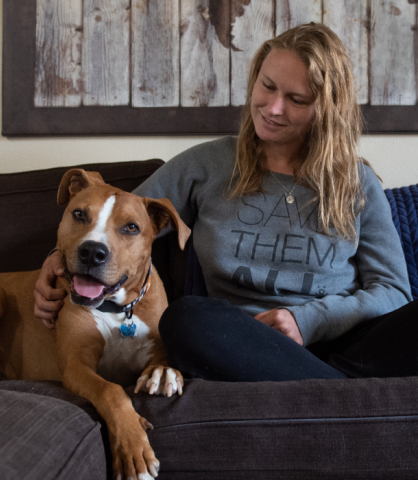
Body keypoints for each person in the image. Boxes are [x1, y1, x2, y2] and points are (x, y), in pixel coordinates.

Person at [34, 23, 417, 382]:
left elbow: (394, 290)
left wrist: (307, 320)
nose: (273, 107)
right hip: (243, 342)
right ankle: (341, 391)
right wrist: (59, 260)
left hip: (347, 341)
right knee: (183, 319)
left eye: (296, 99)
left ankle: (322, 386)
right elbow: (123, 219)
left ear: (327, 110)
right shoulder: (207, 164)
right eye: (267, 86)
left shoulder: (356, 182)